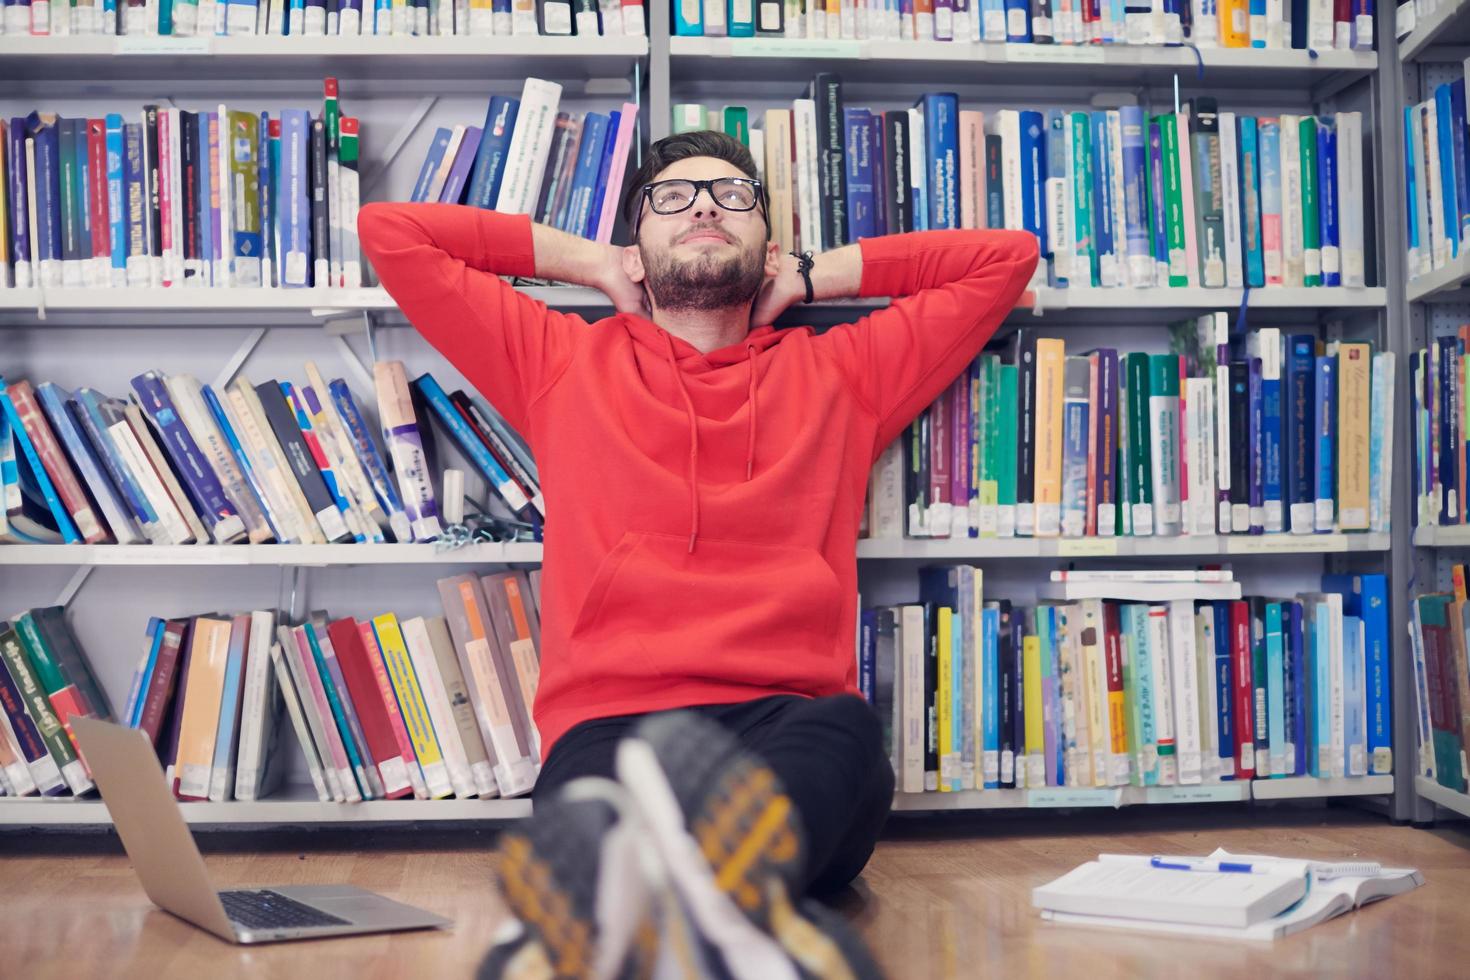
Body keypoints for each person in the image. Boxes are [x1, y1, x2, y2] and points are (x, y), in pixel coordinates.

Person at [357, 130, 1038, 979]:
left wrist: (814, 277)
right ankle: (707, 899)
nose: (707, 205)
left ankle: (674, 897)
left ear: (769, 246)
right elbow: (391, 230)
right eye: (672, 199)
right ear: (639, 247)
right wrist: (597, 265)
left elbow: (1005, 258)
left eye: (734, 195)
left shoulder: (847, 374)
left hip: (786, 717)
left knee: (847, 733)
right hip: (613, 724)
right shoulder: (560, 363)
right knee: (607, 810)